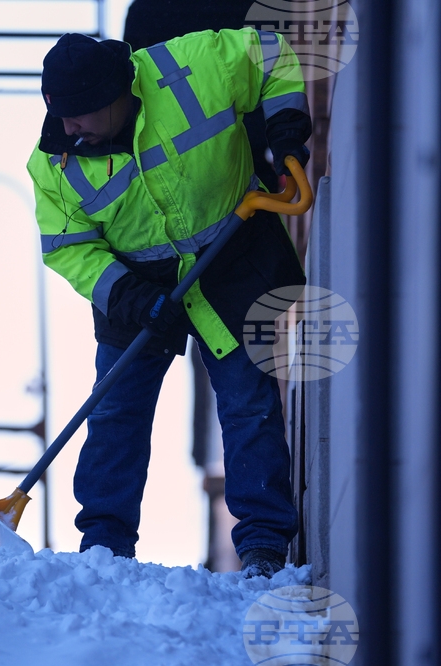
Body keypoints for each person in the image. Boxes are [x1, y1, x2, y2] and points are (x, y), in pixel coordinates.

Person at [26, 28, 311, 578]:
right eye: (61, 116)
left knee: (247, 400)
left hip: (227, 254)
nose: (71, 128)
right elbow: (68, 249)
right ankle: (105, 550)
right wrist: (131, 297)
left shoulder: (190, 66)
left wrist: (286, 128)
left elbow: (270, 53)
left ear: (118, 94)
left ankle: (264, 549)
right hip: (134, 287)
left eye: (82, 113)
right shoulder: (53, 165)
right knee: (114, 412)